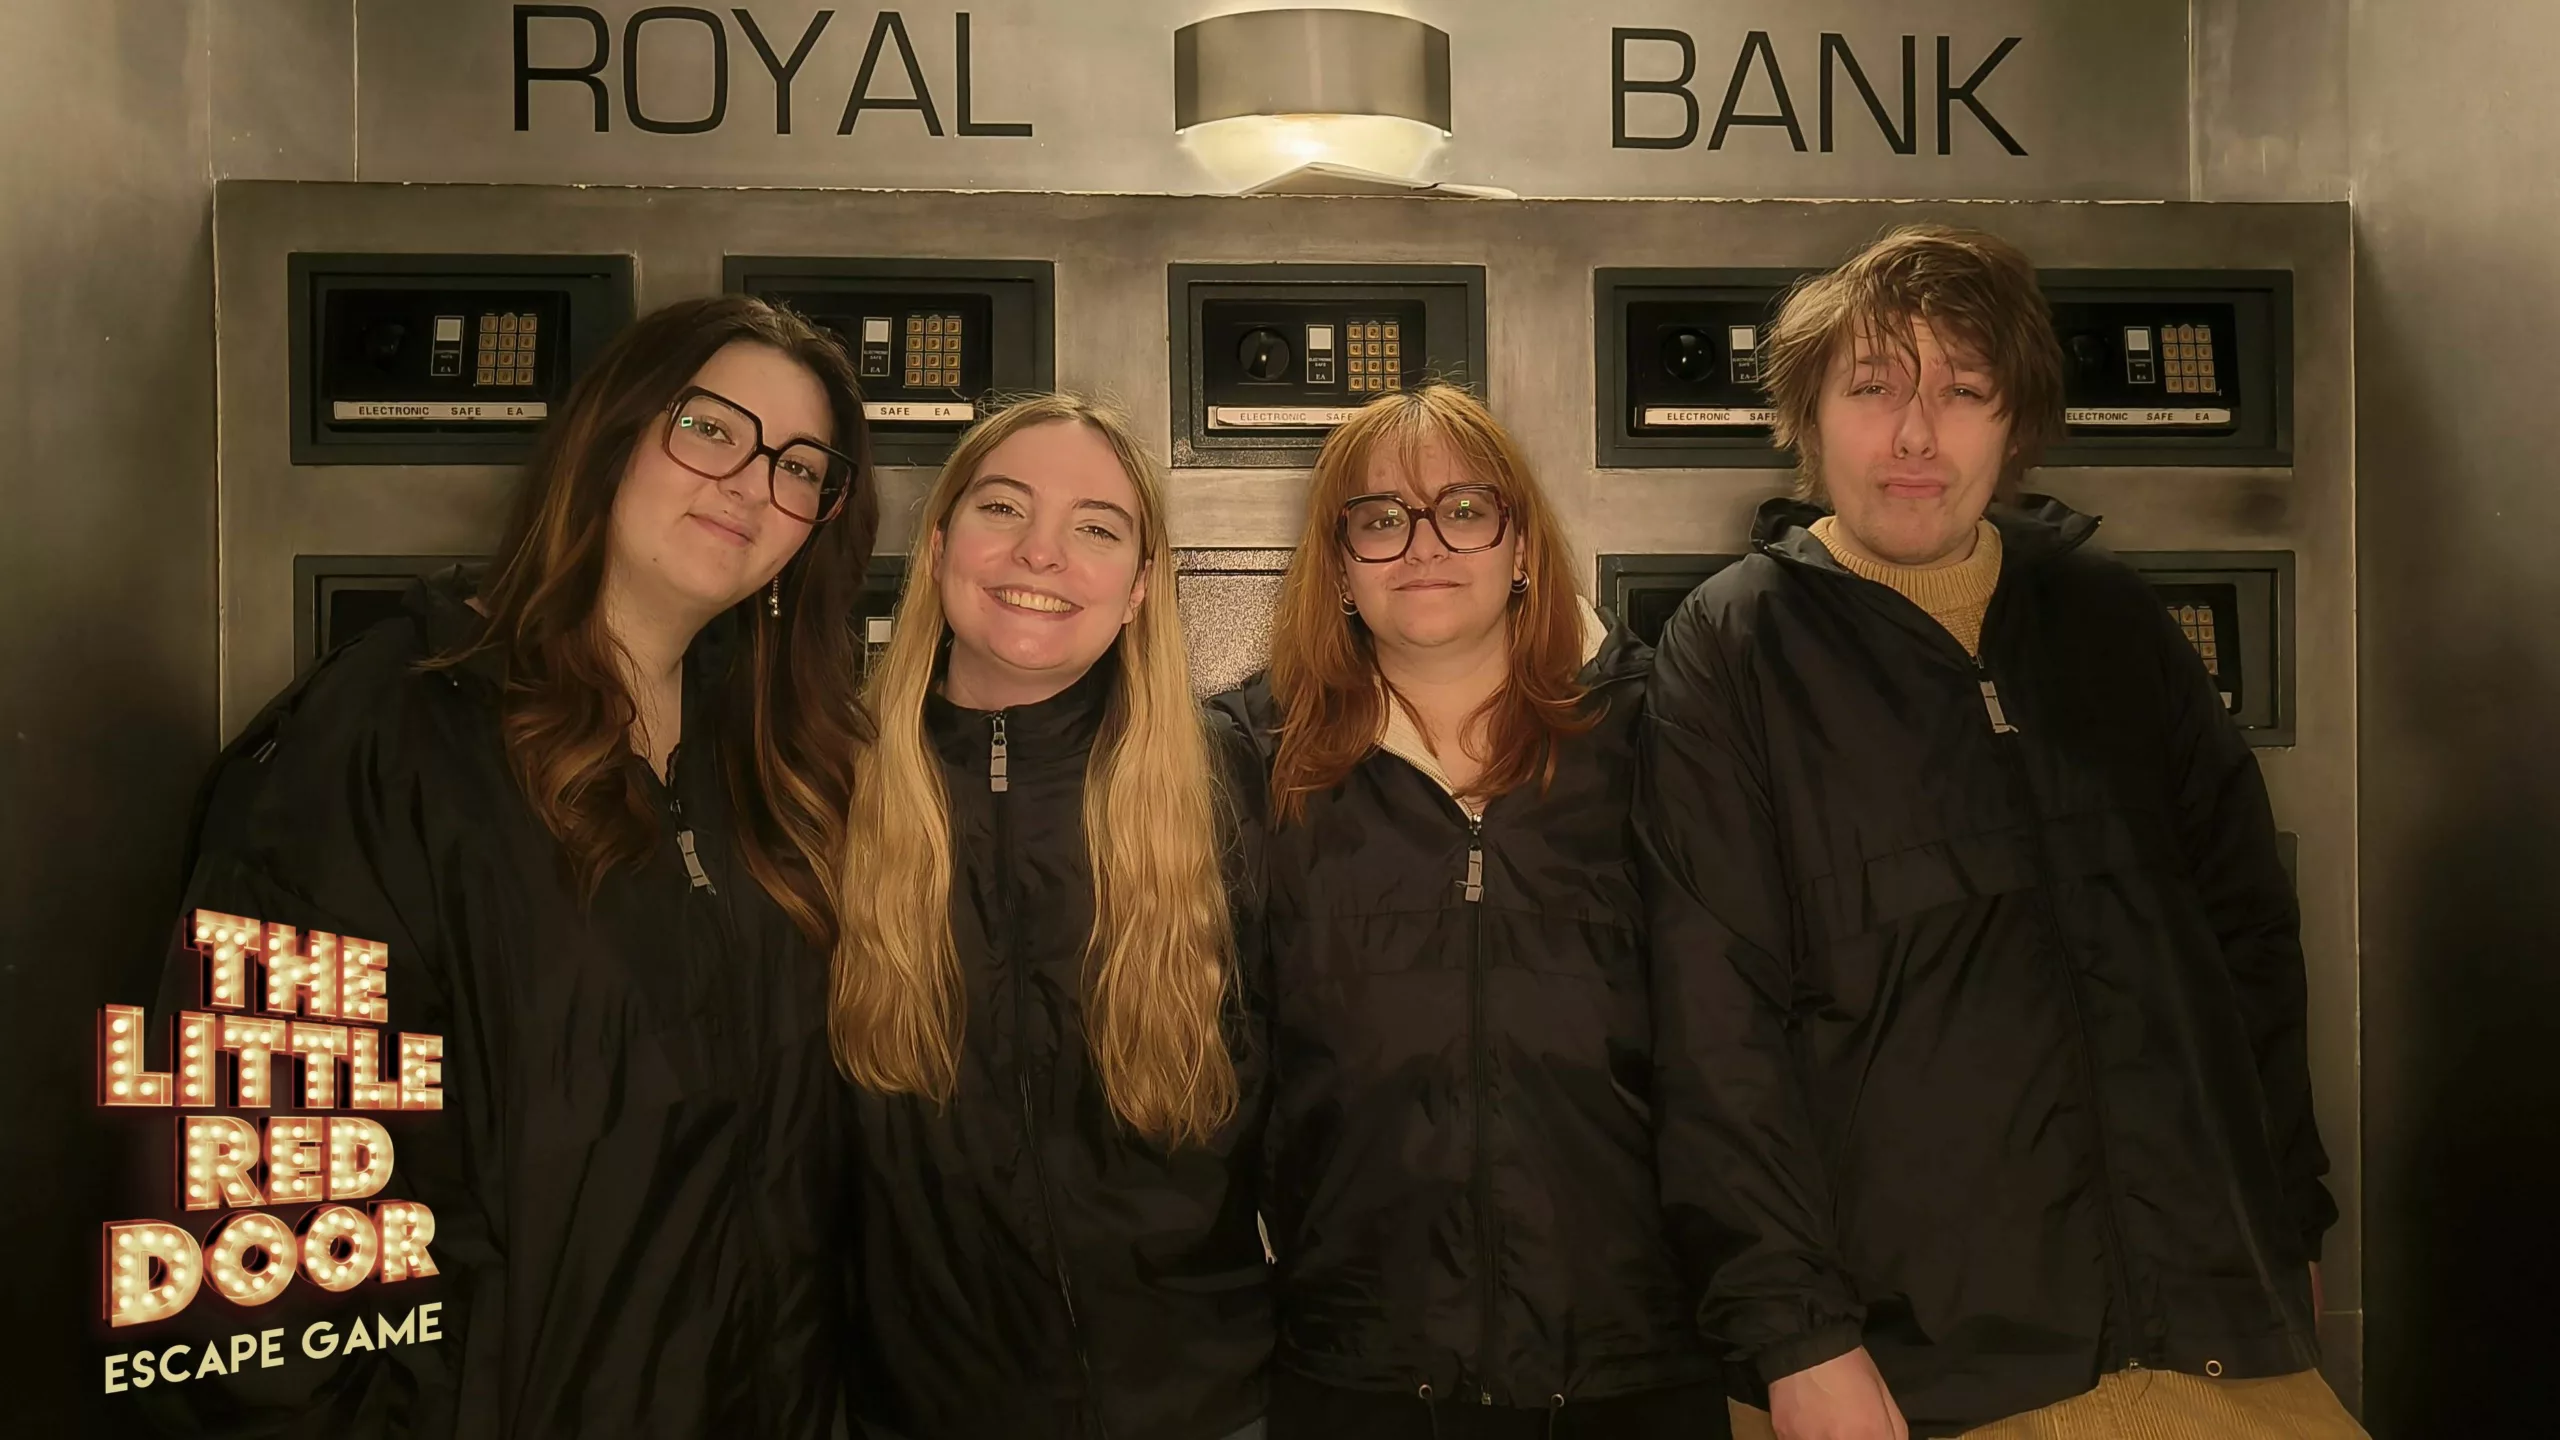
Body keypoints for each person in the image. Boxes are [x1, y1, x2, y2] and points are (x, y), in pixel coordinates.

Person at [1639, 225, 2362, 1439]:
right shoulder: (1732, 651)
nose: (1915, 436)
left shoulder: (2111, 621)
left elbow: (2246, 943)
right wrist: (1794, 1338)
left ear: (2013, 422)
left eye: (1963, 392)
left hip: (2211, 1324)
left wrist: (2288, 1215)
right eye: (1872, 389)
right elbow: (1715, 1031)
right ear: (1807, 417)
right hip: (1912, 1370)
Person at [149, 295, 878, 1436]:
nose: (750, 484)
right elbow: (252, 1200)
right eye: (709, 428)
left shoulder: (779, 762)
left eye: (799, 467)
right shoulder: (385, 736)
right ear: (609, 435)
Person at [1216, 384, 1724, 1438]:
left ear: (1521, 544)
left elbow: (1737, 1044)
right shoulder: (1247, 758)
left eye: (1463, 509)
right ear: (1339, 564)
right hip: (1356, 1364)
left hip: (1635, 1358)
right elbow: (1217, 1066)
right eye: (1380, 518)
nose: (1424, 546)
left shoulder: (1661, 733)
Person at [830, 394, 1272, 1440]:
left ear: (1140, 588)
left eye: (1096, 528)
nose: (1042, 552)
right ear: (938, 547)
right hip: (916, 1411)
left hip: (1203, 1408)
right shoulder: (822, 785)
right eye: (1002, 508)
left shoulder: (1227, 783)